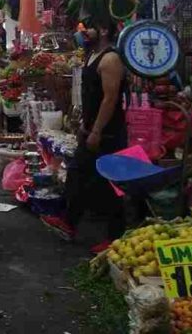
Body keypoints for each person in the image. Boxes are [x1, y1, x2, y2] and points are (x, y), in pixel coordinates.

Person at [42, 22, 128, 246]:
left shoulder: (110, 59)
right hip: (90, 129)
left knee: (111, 184)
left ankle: (114, 239)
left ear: (104, 29)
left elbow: (110, 99)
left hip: (107, 132)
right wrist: (84, 125)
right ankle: (69, 222)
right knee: (78, 175)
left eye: (88, 27)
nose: (83, 32)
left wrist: (97, 130)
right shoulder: (93, 55)